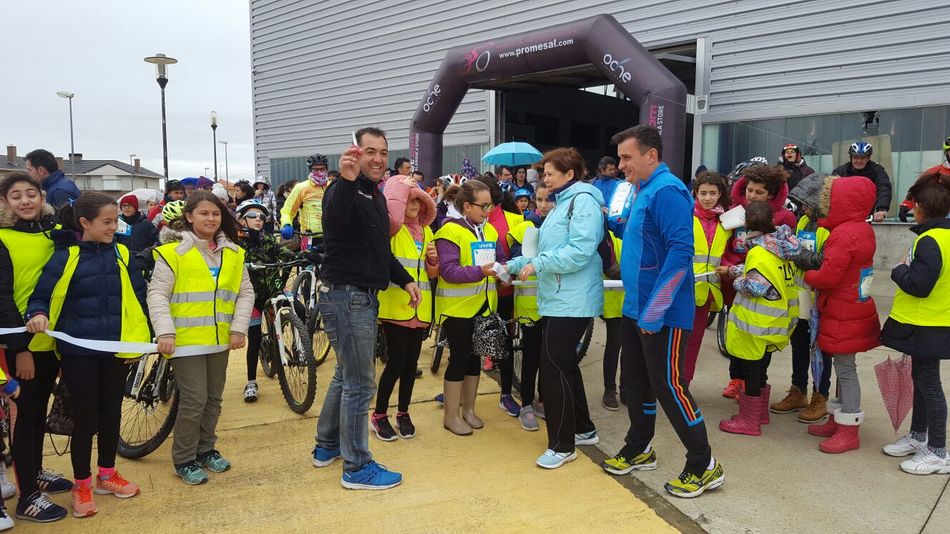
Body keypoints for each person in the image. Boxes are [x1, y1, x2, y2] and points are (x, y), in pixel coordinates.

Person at [602, 126, 723, 499]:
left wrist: (655, 312)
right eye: (620, 158)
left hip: (662, 314)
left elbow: (680, 254)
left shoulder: (667, 190)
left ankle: (704, 464)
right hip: (635, 308)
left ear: (651, 155)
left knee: (670, 387)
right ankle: (640, 446)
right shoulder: (643, 190)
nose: (621, 165)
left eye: (627, 157)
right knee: (636, 383)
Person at [26, 192, 148, 517]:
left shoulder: (122, 253)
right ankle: (82, 483)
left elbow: (139, 298)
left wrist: (141, 341)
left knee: (111, 414)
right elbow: (40, 296)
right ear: (85, 223)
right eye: (107, 222)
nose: (114, 227)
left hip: (116, 351)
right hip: (78, 353)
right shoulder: (65, 257)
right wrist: (36, 314)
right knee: (85, 419)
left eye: (115, 221)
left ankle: (106, 474)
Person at [312, 127, 421, 490]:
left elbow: (380, 251)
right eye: (369, 151)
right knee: (359, 383)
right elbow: (335, 221)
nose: (377, 159)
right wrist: (344, 181)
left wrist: (405, 278)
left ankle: (327, 446)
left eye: (383, 152)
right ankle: (357, 467)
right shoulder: (341, 191)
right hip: (349, 298)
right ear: (355, 154)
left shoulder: (373, 194)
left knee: (346, 376)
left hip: (356, 297)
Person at [506, 147, 603, 469]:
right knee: (564, 366)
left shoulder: (582, 201)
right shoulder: (563, 204)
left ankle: (562, 445)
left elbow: (581, 251)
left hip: (572, 300)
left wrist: (538, 264)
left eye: (549, 173)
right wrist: (510, 264)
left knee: (553, 369)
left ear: (569, 174)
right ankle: (583, 429)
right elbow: (544, 253)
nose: (544, 179)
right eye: (543, 174)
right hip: (560, 297)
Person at [148, 191, 254, 484]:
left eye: (216, 213)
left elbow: (245, 293)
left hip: (219, 340)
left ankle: (206, 450)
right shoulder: (173, 253)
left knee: (213, 399)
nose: (211, 218)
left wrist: (238, 328)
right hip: (184, 341)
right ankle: (184, 458)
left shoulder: (233, 252)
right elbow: (157, 294)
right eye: (204, 213)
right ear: (189, 217)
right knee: (194, 400)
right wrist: (165, 331)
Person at [0, 172, 72, 522]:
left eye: (31, 193)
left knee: (38, 413)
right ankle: (27, 495)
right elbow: (3, 297)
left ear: (42, 196)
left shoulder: (53, 233)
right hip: (23, 345)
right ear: (5, 203)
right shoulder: (3, 238)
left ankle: (36, 471)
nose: (26, 201)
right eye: (16, 196)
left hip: (53, 342)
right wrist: (20, 348)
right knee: (26, 418)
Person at [800, 176, 881, 454]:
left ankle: (849, 428)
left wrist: (807, 273)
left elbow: (827, 276)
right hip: (849, 307)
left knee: (846, 369)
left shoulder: (845, 234)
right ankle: (839, 418)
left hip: (843, 310)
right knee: (841, 367)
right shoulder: (860, 229)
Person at [880, 171, 950, 473]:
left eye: (914, 202)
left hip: (927, 324)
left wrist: (897, 270)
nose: (910, 207)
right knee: (922, 382)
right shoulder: (942, 236)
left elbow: (919, 285)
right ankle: (919, 436)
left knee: (930, 386)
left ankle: (938, 451)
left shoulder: (930, 241)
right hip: (932, 322)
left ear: (922, 206)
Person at [719, 201, 801, 436]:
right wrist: (734, 270)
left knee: (752, 371)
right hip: (775, 322)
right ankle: (759, 414)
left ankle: (749, 421)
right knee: (761, 368)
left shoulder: (758, 251)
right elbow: (763, 273)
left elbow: (755, 285)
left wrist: (735, 281)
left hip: (756, 324)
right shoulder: (780, 248)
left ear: (746, 224)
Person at [716, 164, 797, 398]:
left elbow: (785, 253)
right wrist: (730, 267)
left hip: (763, 288)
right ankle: (736, 379)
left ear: (771, 194)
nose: (752, 195)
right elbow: (723, 243)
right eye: (749, 190)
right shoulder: (734, 212)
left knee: (759, 341)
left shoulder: (784, 218)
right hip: (736, 276)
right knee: (736, 333)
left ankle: (756, 385)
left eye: (759, 192)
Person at [371, 176, 438, 441]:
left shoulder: (428, 231)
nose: (414, 205)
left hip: (420, 309)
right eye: (409, 200)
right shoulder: (393, 230)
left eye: (418, 200)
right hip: (395, 306)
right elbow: (386, 263)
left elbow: (431, 273)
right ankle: (378, 415)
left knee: (411, 364)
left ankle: (403, 412)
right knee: (396, 362)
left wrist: (433, 262)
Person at [434, 179, 502, 436]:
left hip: (483, 306)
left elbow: (499, 259)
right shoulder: (449, 232)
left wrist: (503, 268)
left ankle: (469, 410)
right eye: (482, 206)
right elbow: (449, 271)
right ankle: (451, 416)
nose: (487, 211)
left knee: (475, 358)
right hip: (457, 309)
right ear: (466, 206)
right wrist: (480, 271)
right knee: (459, 358)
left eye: (489, 205)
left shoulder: (490, 232)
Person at [771, 173, 833, 423]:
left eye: (807, 202)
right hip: (800, 294)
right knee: (798, 342)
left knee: (820, 348)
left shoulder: (828, 226)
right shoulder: (804, 221)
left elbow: (822, 260)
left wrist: (795, 255)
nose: (803, 207)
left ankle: (821, 395)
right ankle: (798, 390)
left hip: (820, 296)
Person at [236, 200, 294, 403]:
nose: (259, 220)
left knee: (300, 310)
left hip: (271, 292)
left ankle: (297, 347)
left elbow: (285, 254)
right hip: (250, 298)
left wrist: (304, 255)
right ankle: (251, 383)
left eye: (262, 217)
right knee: (254, 340)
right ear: (241, 219)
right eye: (253, 216)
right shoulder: (235, 244)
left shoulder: (267, 240)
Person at [475, 175, 523, 416]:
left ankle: (505, 393)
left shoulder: (515, 219)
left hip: (506, 292)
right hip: (478, 294)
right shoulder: (468, 221)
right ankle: (462, 391)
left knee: (504, 344)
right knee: (474, 343)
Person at [506, 184, 553, 431]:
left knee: (549, 356)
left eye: (549, 200)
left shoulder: (562, 227)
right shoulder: (525, 227)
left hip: (554, 304)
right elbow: (515, 256)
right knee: (531, 356)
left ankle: (544, 400)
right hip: (530, 303)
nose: (544, 205)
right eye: (540, 200)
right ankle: (526, 403)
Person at [684, 171, 731, 386]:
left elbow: (731, 253)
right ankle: (671, 383)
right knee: (677, 341)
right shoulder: (685, 217)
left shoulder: (727, 222)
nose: (708, 198)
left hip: (709, 291)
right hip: (683, 289)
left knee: (694, 342)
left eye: (713, 193)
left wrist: (728, 266)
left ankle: (684, 384)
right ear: (695, 193)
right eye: (703, 193)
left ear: (720, 194)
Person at [832, 141, 892, 222]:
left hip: (865, 217)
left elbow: (884, 188)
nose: (859, 161)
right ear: (851, 157)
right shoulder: (841, 171)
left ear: (868, 158)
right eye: (856, 157)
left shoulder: (877, 170)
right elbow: (829, 189)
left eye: (863, 158)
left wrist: (881, 209)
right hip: (843, 216)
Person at [600, 228, 625, 410]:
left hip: (633, 300)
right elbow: (610, 268)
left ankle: (627, 389)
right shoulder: (605, 236)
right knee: (614, 344)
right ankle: (610, 390)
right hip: (613, 301)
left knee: (631, 348)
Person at [280, 154, 329, 240]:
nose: (319, 172)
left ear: (326, 169)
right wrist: (286, 224)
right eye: (316, 169)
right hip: (308, 238)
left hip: (331, 237)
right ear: (310, 170)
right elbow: (287, 210)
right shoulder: (301, 187)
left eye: (322, 169)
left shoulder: (332, 186)